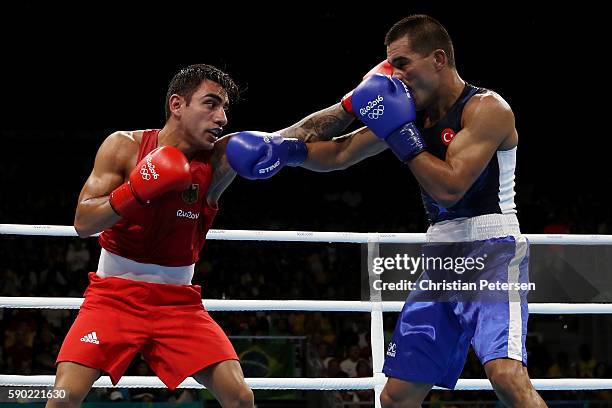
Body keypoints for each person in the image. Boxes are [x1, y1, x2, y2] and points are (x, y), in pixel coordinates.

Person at [226, 15, 547, 407]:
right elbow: (341, 152)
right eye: (390, 63)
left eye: (402, 62)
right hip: (440, 258)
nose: (393, 73)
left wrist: (400, 134)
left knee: (506, 375)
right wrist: (282, 148)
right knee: (397, 396)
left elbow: (449, 188)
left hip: (492, 248)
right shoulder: (410, 112)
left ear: (439, 59)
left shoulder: (486, 108)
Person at [47, 64, 283, 408]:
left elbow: (295, 134)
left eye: (225, 109)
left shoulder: (219, 158)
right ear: (177, 104)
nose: (222, 118)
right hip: (113, 297)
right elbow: (84, 222)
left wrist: (350, 105)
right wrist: (137, 189)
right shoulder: (123, 146)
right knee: (61, 397)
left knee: (240, 397)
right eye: (211, 104)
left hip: (178, 304)